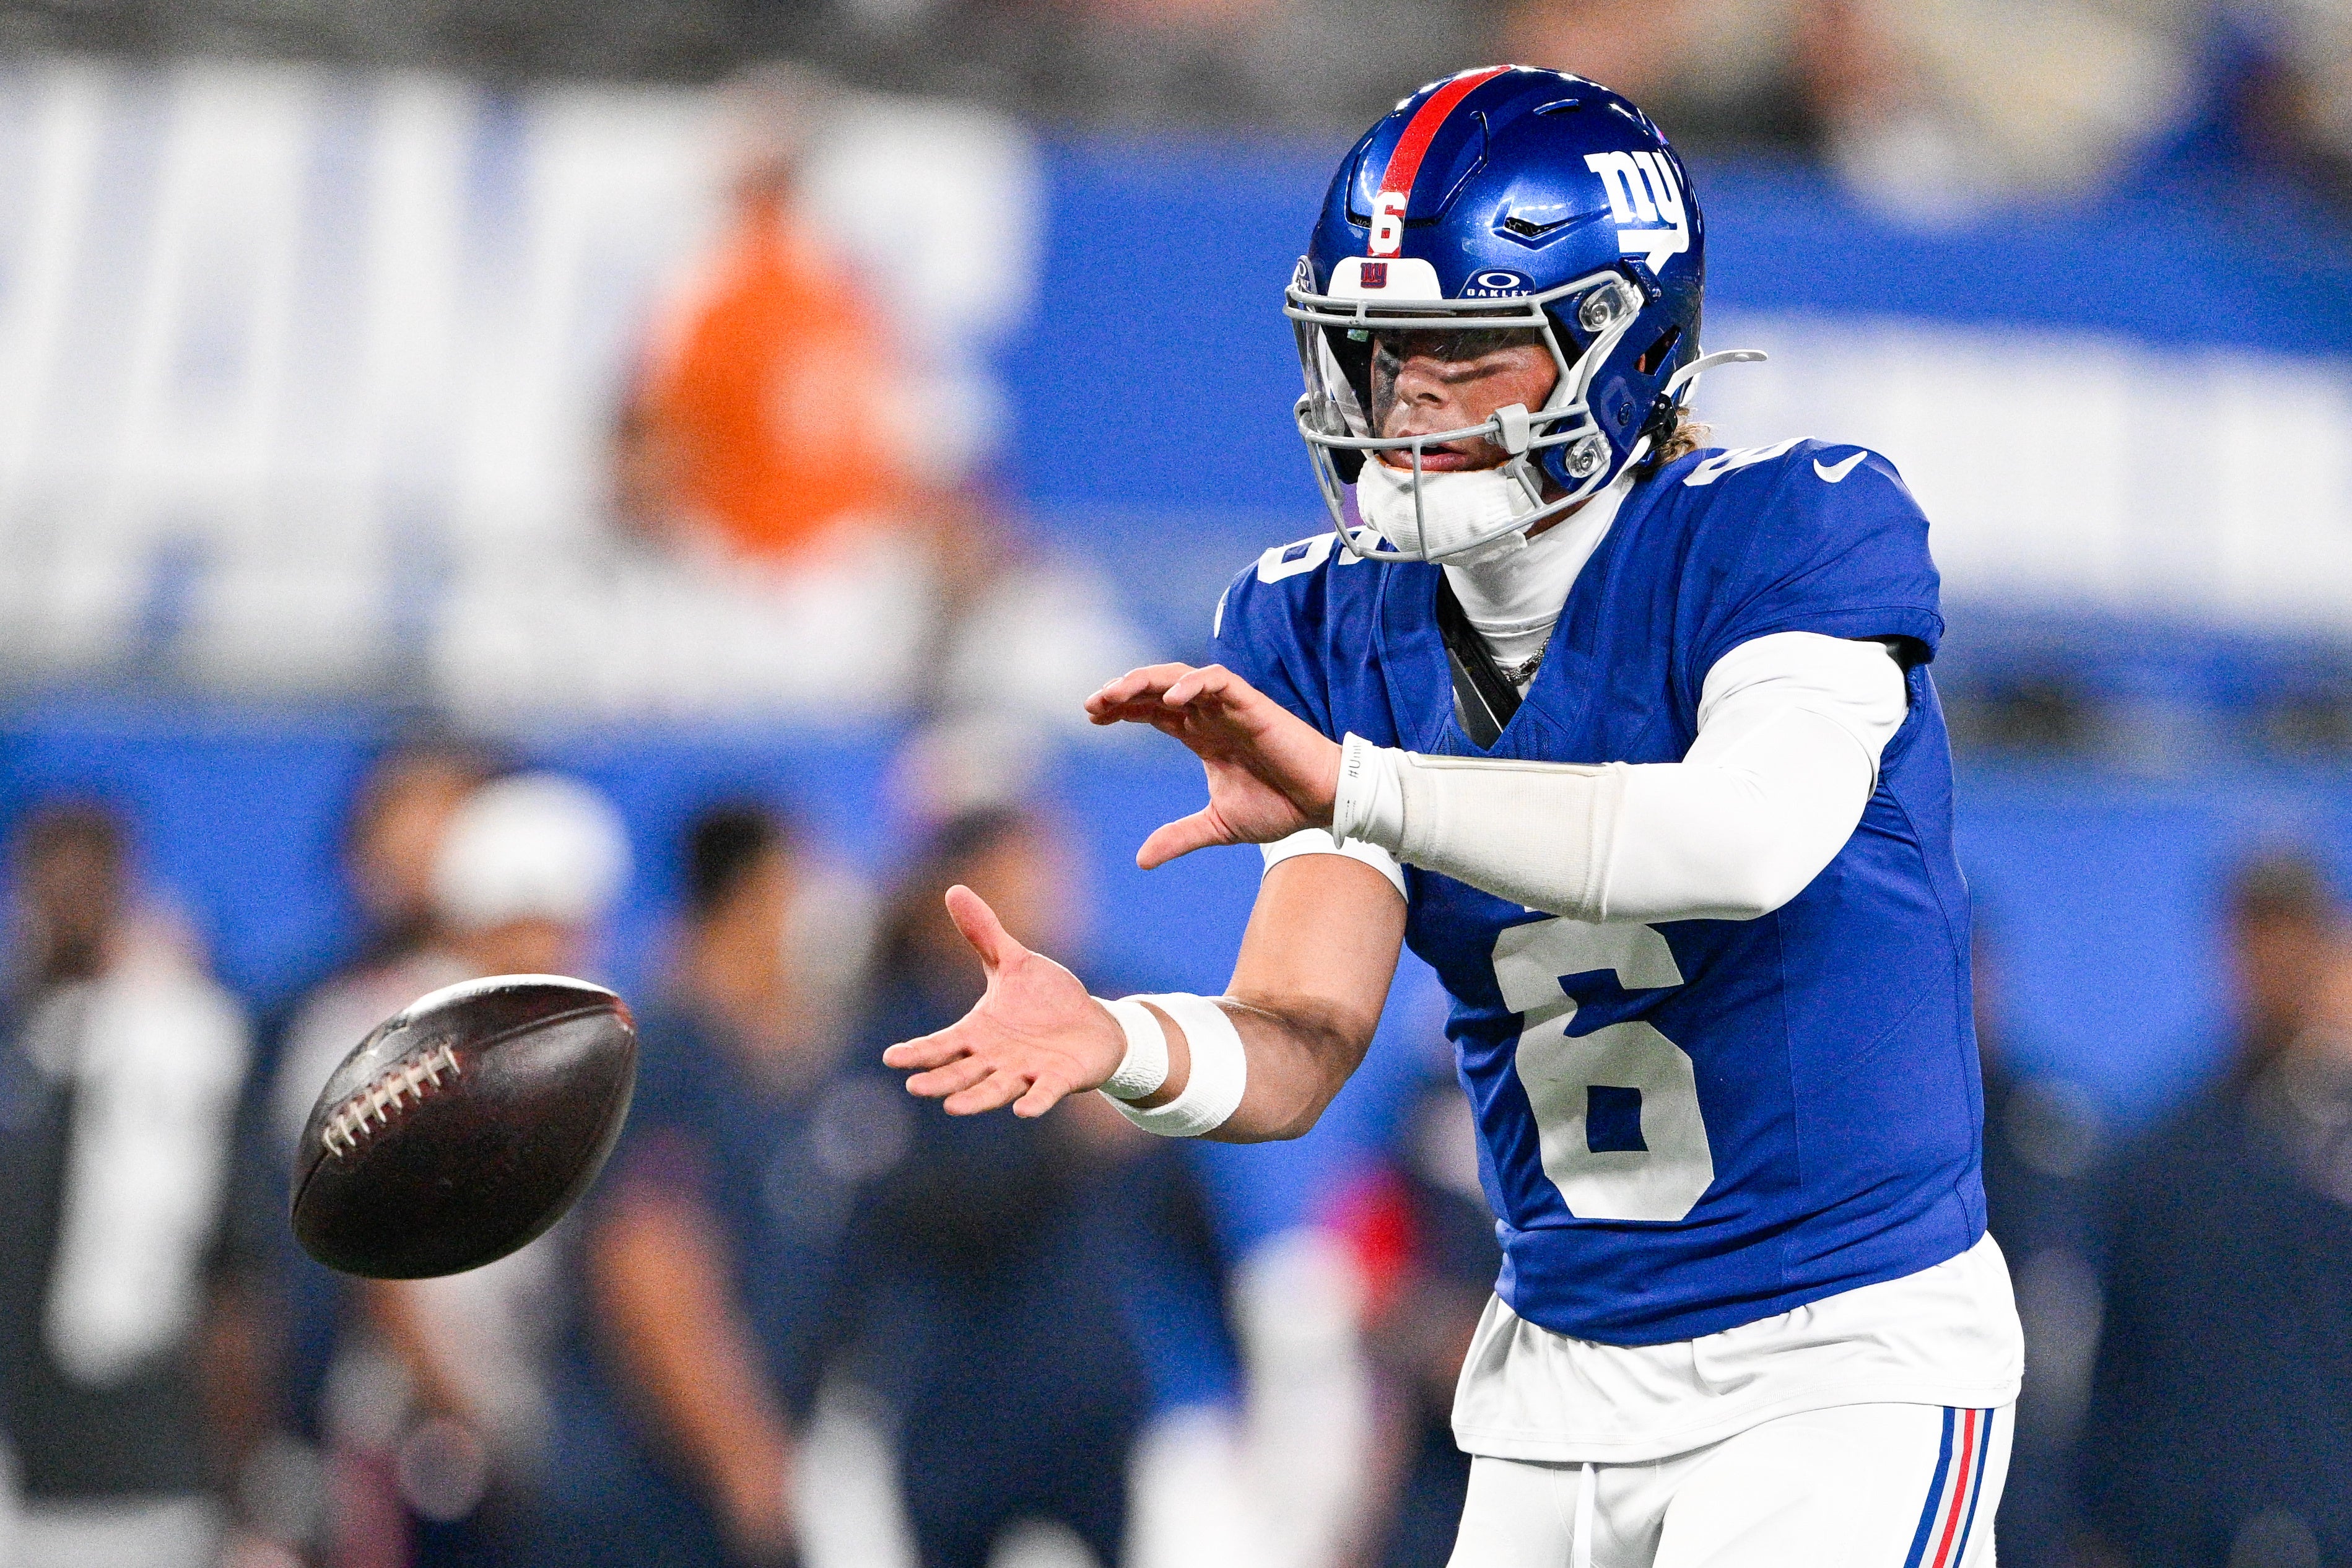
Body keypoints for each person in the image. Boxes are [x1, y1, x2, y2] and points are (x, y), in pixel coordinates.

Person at [883, 67, 2019, 1567]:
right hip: (1554, 1379)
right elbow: (1298, 1035)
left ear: (1621, 343)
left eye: (1466, 347)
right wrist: (1124, 1043)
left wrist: (1365, 785)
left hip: (1833, 1365)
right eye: (1376, 348)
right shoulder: (1328, 622)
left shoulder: (1787, 527)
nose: (1405, 395)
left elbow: (1738, 840)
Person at [853, 804, 1228, 1568]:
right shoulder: (899, 1036)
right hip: (954, 1408)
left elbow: (1188, 1206)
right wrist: (1064, 1148)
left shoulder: (1114, 1019)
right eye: (1017, 877)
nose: (1046, 896)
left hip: (1089, 1405)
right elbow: (914, 1214)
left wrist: (1238, 1356)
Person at [537, 802, 871, 1568]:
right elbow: (649, 1267)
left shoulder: (760, 1060)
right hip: (643, 1501)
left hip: (710, 1492)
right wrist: (745, 1460)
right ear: (750, 898)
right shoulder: (667, 1057)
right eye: (801, 883)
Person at [2076, 855, 2352, 1568]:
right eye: (2256, 939)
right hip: (2193, 1535)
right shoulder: (2166, 1160)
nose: (2276, 966)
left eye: (2296, 937)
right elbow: (2122, 1373)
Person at [0, 801, 251, 1568]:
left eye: (90, 883)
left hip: (144, 1468)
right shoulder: (19, 1041)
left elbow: (234, 1275)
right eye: (51, 883)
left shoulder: (185, 1043)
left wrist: (241, 1476)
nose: (69, 905)